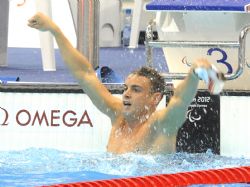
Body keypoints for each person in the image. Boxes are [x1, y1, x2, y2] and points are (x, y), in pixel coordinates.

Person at [28, 12, 213, 154]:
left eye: (136, 89)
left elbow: (180, 99)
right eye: (126, 88)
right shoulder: (117, 115)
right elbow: (85, 75)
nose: (126, 94)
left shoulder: (161, 125)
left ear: (155, 98)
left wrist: (194, 73)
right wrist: (55, 30)